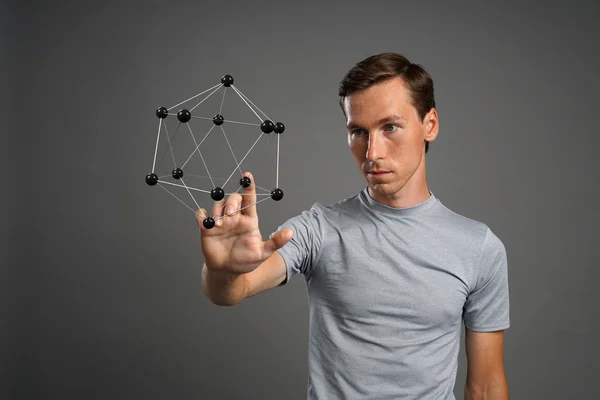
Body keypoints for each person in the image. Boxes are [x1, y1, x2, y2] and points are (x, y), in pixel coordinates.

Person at [197, 52, 510, 400]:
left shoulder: (479, 247)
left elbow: (484, 386)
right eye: (359, 131)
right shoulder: (319, 229)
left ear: (430, 125)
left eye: (390, 127)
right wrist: (221, 269)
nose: (372, 151)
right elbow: (231, 291)